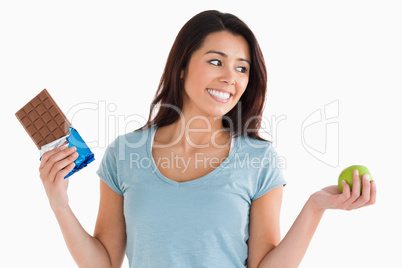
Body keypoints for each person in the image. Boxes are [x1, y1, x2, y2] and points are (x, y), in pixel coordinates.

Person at [38, 10, 376, 268]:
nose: (230, 77)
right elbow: (105, 262)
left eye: (242, 68)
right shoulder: (124, 154)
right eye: (216, 61)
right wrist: (59, 203)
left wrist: (315, 206)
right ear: (182, 66)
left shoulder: (259, 159)